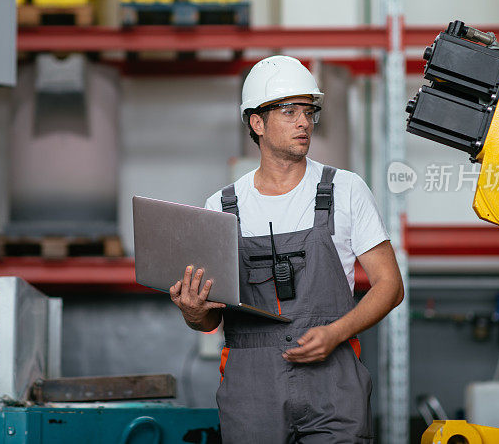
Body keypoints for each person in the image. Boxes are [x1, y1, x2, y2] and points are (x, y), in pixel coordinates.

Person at [169, 55, 404, 443]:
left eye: (309, 111)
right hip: (251, 390)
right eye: (290, 111)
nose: (304, 122)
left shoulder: (345, 189)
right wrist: (193, 312)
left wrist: (336, 332)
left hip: (333, 383)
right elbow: (210, 321)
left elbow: (390, 285)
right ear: (256, 123)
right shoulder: (223, 207)